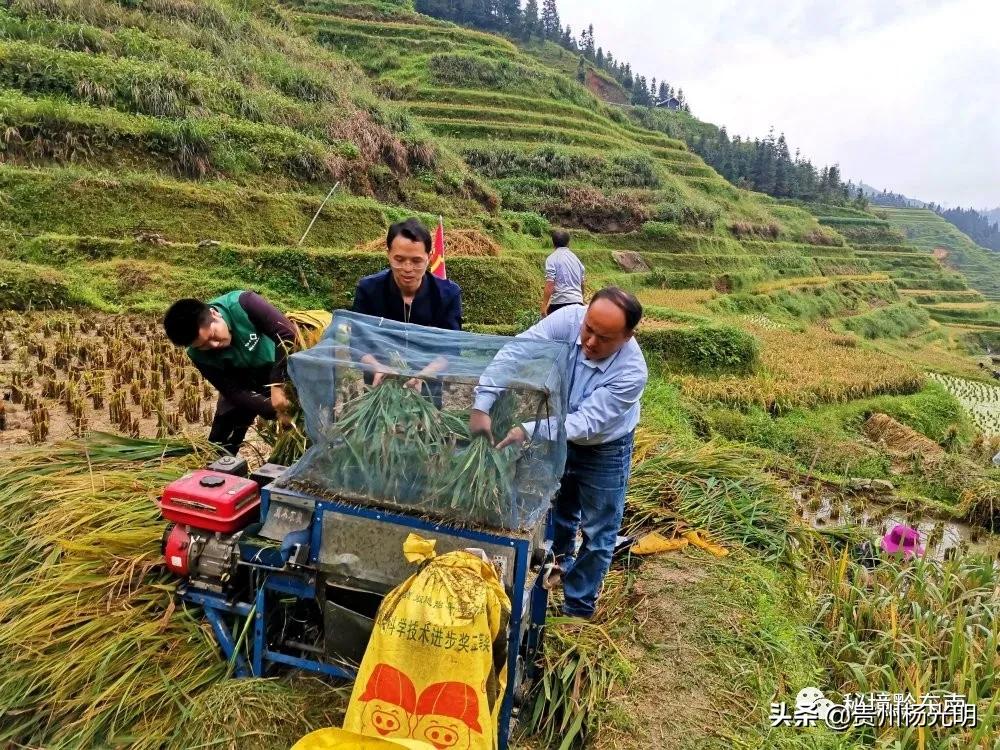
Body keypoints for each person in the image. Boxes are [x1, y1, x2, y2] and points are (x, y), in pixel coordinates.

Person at [470, 288, 648, 620]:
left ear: (627, 336)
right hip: (556, 428)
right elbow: (518, 351)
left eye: (604, 338)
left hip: (603, 446)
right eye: (589, 329)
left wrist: (528, 429)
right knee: (558, 505)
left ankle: (577, 609)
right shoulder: (568, 319)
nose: (590, 342)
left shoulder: (631, 373)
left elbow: (584, 423)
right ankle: (558, 564)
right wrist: (483, 403)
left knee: (599, 531)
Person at [163, 291, 297, 455]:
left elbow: (288, 335)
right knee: (220, 446)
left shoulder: (244, 303)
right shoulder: (197, 354)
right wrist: (276, 410)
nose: (214, 344)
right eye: (203, 345)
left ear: (214, 314)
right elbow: (233, 391)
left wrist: (278, 385)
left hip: (279, 367)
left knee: (303, 426)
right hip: (242, 381)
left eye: (212, 335)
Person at [353, 217, 462, 389]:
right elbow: (357, 341)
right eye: (399, 259)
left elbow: (451, 348)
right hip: (380, 388)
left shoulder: (447, 294)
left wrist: (424, 375)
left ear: (429, 256)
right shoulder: (369, 290)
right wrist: (376, 366)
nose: (408, 268)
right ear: (388, 253)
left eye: (416, 261)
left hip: (426, 387)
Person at [540, 229, 585, 317]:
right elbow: (582, 283)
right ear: (569, 243)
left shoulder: (551, 259)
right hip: (577, 302)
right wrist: (580, 298)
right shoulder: (576, 259)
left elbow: (550, 283)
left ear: (553, 243)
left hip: (559, 303)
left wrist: (544, 305)